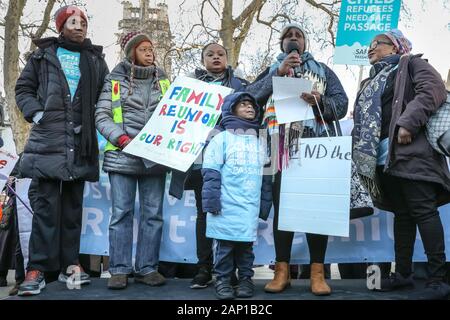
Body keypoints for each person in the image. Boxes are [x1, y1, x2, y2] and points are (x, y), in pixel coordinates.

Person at [15, 5, 109, 296]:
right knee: (45, 209)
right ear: (61, 26)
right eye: (72, 22)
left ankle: (72, 265)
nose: (79, 26)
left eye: (83, 22)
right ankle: (37, 270)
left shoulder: (96, 59)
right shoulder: (43, 56)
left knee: (72, 210)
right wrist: (38, 114)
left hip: (80, 146)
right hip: (47, 143)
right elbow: (23, 89)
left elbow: (107, 94)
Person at [352, 29, 450, 299]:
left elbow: (434, 90)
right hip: (385, 159)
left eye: (377, 44)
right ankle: (404, 275)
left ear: (395, 48)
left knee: (424, 211)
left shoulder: (413, 64)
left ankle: (438, 279)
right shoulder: (370, 82)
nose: (370, 48)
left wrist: (408, 121)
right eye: (369, 45)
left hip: (413, 154)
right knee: (403, 216)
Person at [168, 42, 274, 289]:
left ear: (227, 59)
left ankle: (232, 273)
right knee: (206, 213)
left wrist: (276, 71)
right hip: (198, 159)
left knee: (232, 212)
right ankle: (205, 268)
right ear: (203, 59)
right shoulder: (188, 87)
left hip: (234, 159)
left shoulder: (240, 85)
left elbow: (255, 97)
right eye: (210, 54)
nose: (216, 57)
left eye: (220, 54)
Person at [258, 23, 348, 296]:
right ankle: (282, 271)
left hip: (314, 147)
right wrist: (278, 72)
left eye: (299, 35)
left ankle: (317, 274)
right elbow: (250, 97)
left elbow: (341, 104)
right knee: (282, 208)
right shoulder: (272, 69)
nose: (294, 39)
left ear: (305, 43)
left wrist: (319, 101)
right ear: (281, 43)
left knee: (315, 209)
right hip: (279, 147)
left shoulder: (324, 71)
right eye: (289, 36)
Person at [95, 31, 170, 290]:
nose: (150, 53)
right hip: (122, 155)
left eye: (152, 48)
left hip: (154, 159)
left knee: (153, 215)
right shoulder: (113, 82)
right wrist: (122, 139)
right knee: (121, 214)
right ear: (131, 53)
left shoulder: (166, 83)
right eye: (144, 49)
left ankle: (148, 268)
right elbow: (102, 115)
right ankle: (119, 269)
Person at [201, 92, 272, 299]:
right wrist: (212, 201)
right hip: (226, 204)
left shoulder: (260, 140)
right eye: (243, 104)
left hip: (248, 205)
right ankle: (222, 280)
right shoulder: (220, 138)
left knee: (246, 247)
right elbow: (211, 171)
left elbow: (266, 176)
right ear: (231, 109)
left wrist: (264, 204)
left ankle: (245, 280)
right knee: (225, 247)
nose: (250, 107)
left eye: (251, 105)